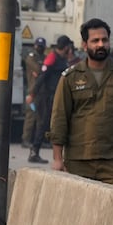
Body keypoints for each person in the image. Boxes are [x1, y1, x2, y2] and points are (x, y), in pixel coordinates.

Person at [48, 18, 113, 187]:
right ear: (85, 45)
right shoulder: (71, 78)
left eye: (105, 40)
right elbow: (59, 119)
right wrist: (57, 159)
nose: (101, 44)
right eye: (95, 41)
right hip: (78, 161)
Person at [28, 36, 74, 164]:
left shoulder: (63, 59)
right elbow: (42, 77)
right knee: (43, 123)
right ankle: (34, 152)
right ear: (65, 47)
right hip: (46, 96)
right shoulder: (52, 57)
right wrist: (32, 94)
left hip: (56, 96)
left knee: (54, 124)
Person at [20, 37, 46, 147]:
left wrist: (42, 71)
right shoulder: (31, 57)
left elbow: (45, 70)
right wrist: (41, 70)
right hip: (32, 92)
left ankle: (39, 141)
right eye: (38, 46)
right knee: (30, 116)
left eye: (41, 46)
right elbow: (39, 69)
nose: (39, 48)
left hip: (42, 91)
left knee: (42, 118)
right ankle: (25, 140)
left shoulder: (44, 57)